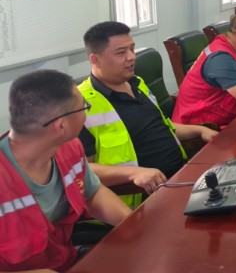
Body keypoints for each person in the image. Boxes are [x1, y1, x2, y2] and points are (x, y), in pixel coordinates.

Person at [0, 69, 158, 273]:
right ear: (60, 126)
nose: (86, 113)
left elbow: (92, 193)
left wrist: (134, 226)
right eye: (84, 107)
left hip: (64, 263)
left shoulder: (68, 149)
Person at [78, 22, 218, 205]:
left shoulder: (137, 83)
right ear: (95, 60)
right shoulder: (80, 106)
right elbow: (81, 170)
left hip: (182, 175)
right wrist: (133, 173)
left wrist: (199, 130)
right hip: (143, 196)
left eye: (132, 49)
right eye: (121, 53)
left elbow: (160, 127)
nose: (131, 57)